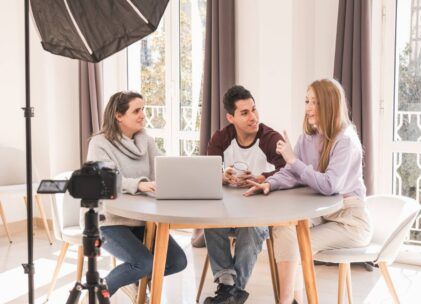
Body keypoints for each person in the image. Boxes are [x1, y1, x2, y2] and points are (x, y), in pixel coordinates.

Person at [244, 79, 373, 304]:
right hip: (323, 215)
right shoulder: (308, 137)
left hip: (350, 221)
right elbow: (293, 172)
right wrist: (270, 183)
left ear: (330, 104)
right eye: (307, 101)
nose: (309, 107)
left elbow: (329, 185)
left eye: (315, 102)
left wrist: (292, 159)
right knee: (284, 229)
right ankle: (291, 300)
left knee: (297, 243)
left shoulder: (346, 141)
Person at [86, 91, 187, 301]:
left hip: (142, 220)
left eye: (143, 109)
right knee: (145, 263)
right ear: (119, 116)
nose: (143, 115)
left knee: (177, 262)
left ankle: (133, 278)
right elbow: (105, 180)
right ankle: (98, 292)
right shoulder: (99, 143)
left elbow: (162, 168)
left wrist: (181, 178)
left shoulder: (146, 141)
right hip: (108, 220)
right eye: (137, 110)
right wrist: (140, 184)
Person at [203, 85, 286, 304]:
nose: (253, 117)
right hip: (227, 211)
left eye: (254, 109)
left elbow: (288, 171)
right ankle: (230, 287)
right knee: (210, 223)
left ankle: (230, 291)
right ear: (230, 117)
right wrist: (222, 176)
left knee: (251, 230)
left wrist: (262, 178)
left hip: (260, 213)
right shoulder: (221, 138)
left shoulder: (269, 138)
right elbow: (208, 172)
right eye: (245, 112)